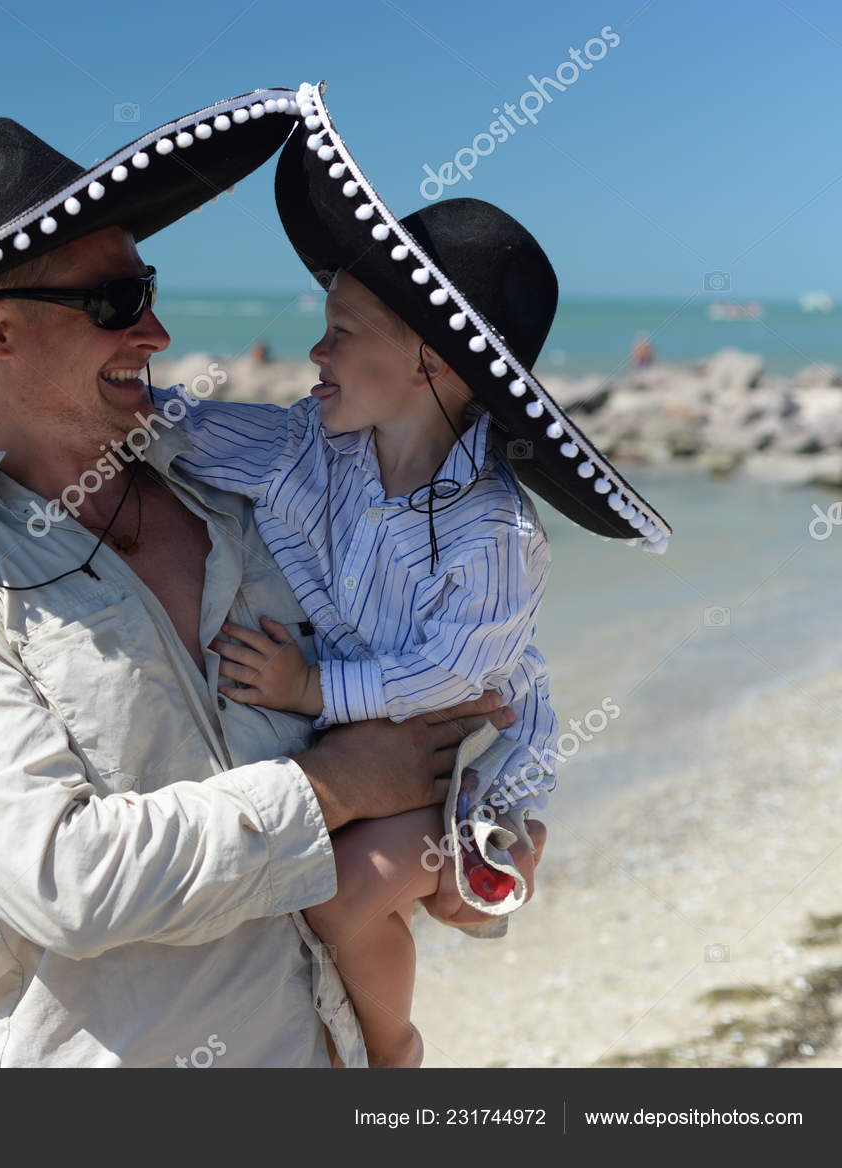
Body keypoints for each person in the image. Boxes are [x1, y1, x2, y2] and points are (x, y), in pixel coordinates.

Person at [0, 85, 537, 1067]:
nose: (153, 335)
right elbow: (66, 882)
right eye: (114, 305)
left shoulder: (259, 505)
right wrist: (329, 785)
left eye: (145, 292)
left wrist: (480, 848)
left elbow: (431, 703)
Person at [140, 86, 672, 1065]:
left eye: (341, 331)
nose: (315, 348)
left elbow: (447, 683)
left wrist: (310, 687)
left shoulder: (493, 532)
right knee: (331, 883)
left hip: (468, 753)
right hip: (372, 741)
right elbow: (210, 435)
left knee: (347, 893)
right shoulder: (314, 450)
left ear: (428, 363)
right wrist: (124, 406)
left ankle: (391, 1052)